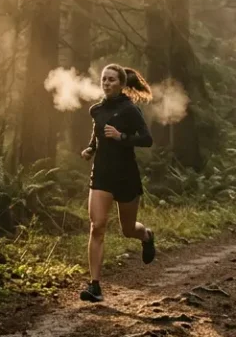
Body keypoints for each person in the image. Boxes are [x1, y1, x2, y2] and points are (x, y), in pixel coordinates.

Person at [78, 63, 157, 303]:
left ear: (121, 84)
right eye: (104, 79)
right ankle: (95, 286)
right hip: (102, 174)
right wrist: (91, 148)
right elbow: (97, 133)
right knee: (97, 226)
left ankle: (147, 236)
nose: (106, 83)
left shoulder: (130, 109)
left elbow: (147, 139)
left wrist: (121, 136)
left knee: (128, 229)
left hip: (126, 175)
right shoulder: (96, 110)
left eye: (111, 79)